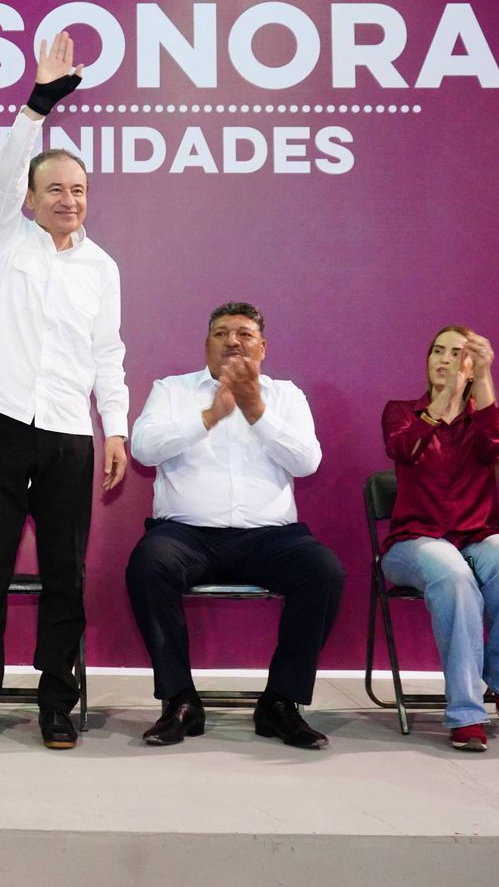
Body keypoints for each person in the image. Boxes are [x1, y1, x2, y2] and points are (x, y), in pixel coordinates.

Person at [0, 31, 128, 751]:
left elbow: (108, 355)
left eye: (78, 190)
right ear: (29, 198)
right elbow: (2, 171)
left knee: (64, 578)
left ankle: (57, 702)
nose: (68, 200)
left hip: (67, 436)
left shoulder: (103, 268)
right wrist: (39, 103)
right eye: (54, 189)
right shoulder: (5, 237)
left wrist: (115, 429)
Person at [125, 302, 343, 749]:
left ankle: (280, 703)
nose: (232, 341)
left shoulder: (286, 396)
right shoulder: (172, 389)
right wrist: (210, 415)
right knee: (148, 565)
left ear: (262, 347)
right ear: (207, 344)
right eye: (221, 333)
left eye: (244, 333)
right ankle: (180, 701)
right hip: (186, 535)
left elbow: (307, 462)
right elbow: (143, 449)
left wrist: (255, 409)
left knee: (323, 571)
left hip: (270, 537)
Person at [380, 326, 499, 752]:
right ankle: (467, 712)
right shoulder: (402, 412)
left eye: (456, 353)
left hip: (477, 535)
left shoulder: (485, 418)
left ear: (472, 366)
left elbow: (495, 446)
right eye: (438, 351)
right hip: (414, 540)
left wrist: (482, 381)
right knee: (454, 576)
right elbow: (404, 450)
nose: (444, 360)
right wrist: (443, 402)